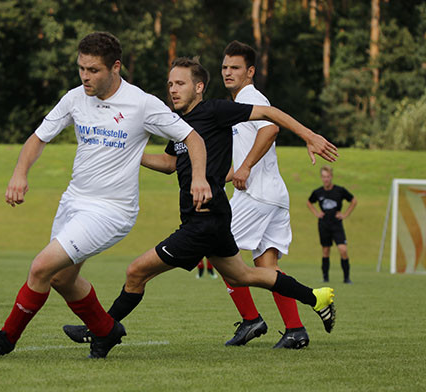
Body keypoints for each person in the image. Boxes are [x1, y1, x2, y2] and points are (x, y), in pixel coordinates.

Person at [62, 57, 338, 357]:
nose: (173, 90)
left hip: (203, 221)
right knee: (242, 276)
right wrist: (126, 153)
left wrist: (310, 136)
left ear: (199, 86)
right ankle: (316, 297)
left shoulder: (215, 111)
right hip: (214, 218)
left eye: (180, 84)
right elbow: (169, 163)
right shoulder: (178, 124)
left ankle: (102, 330)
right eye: (170, 84)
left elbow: (268, 114)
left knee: (136, 272)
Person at [0, 32, 212, 359]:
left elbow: (193, 138)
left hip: (111, 211)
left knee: (41, 267)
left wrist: (198, 178)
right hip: (73, 201)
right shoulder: (74, 98)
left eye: (93, 70)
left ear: (115, 67)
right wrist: (20, 173)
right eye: (81, 69)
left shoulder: (142, 104)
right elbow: (38, 138)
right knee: (61, 278)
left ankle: (6, 339)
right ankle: (106, 330)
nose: (85, 77)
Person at [220, 41, 309, 349]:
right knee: (267, 269)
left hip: (256, 196)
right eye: (225, 67)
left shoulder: (251, 98)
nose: (228, 72)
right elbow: (247, 150)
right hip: (272, 194)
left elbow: (270, 130)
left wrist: (243, 169)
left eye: (235, 67)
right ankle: (296, 330)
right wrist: (227, 173)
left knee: (218, 252)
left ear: (251, 71)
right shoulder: (241, 102)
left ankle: (251, 320)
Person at [307, 165, 357, 283]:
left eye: (328, 176)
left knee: (343, 250)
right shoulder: (318, 192)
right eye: (324, 177)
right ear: (321, 177)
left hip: (337, 225)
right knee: (325, 250)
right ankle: (325, 278)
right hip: (324, 225)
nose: (326, 179)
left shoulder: (339, 190)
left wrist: (345, 214)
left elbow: (354, 201)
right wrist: (316, 213)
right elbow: (309, 202)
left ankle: (346, 278)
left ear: (331, 177)